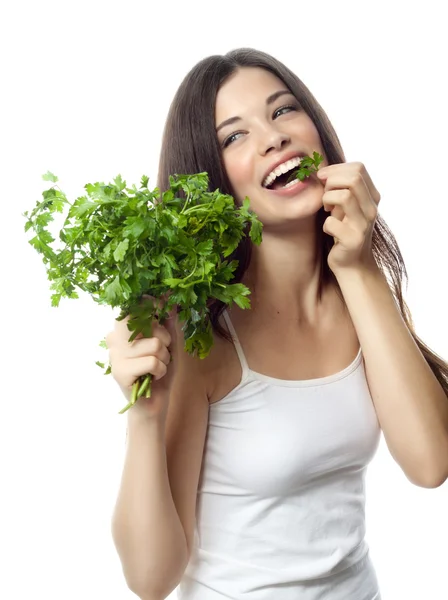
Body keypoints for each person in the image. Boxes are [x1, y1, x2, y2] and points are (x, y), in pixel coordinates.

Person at [108, 48, 448, 600]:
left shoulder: (356, 290)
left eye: (284, 110)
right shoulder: (201, 335)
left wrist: (359, 268)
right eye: (234, 136)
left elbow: (431, 462)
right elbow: (151, 579)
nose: (273, 138)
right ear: (208, 184)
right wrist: (145, 415)